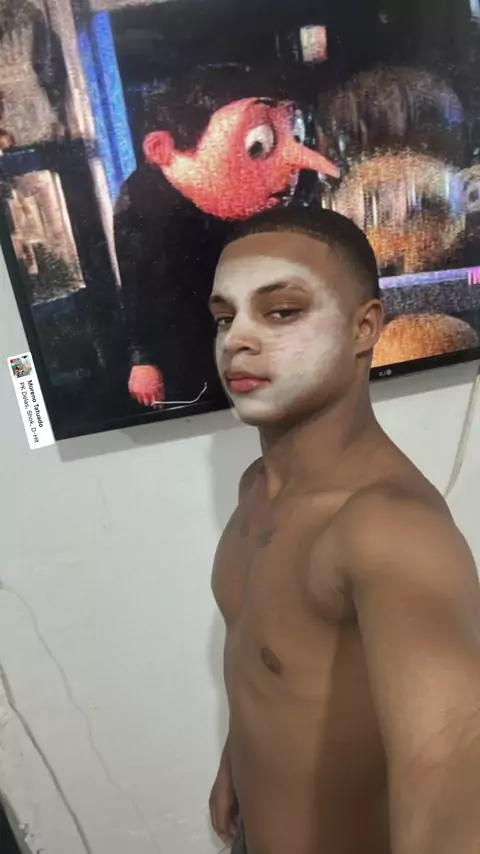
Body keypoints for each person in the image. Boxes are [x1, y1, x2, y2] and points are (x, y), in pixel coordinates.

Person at [208, 205, 480, 854]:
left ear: (365, 327)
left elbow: (451, 786)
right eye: (224, 317)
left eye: (281, 311)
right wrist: (236, 760)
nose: (236, 340)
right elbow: (267, 660)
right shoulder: (256, 486)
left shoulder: (389, 528)